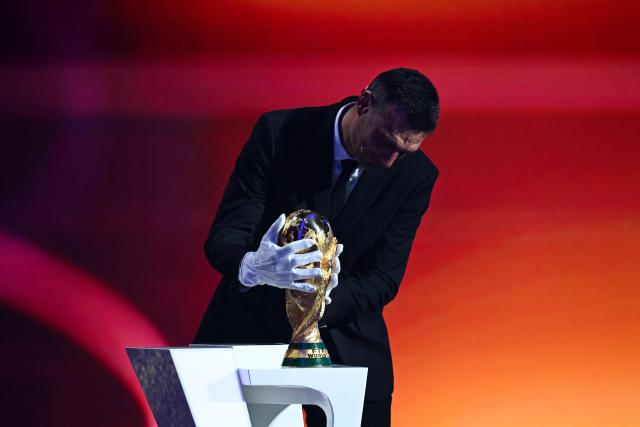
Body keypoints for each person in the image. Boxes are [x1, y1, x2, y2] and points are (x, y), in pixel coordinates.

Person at [194, 67, 440, 426]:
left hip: (347, 337)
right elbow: (225, 236)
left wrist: (318, 301)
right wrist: (253, 267)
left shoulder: (416, 174)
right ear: (365, 103)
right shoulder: (279, 134)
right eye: (386, 142)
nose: (390, 161)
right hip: (250, 328)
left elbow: (383, 278)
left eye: (405, 151)